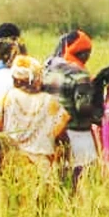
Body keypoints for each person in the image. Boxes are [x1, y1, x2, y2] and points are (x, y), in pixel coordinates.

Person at [0, 56, 70, 173]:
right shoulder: (52, 103)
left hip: (11, 165)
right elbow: (63, 140)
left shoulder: (8, 98)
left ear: (16, 80)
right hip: (42, 168)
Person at [44, 31, 99, 189]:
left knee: (59, 177)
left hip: (52, 133)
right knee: (82, 180)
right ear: (84, 53)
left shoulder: (48, 68)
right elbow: (83, 109)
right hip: (77, 134)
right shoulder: (79, 75)